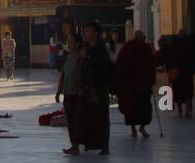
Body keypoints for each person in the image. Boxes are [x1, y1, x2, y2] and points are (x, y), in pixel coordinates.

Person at [116, 31, 156, 138]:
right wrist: (152, 80)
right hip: (143, 84)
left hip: (130, 85)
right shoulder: (146, 48)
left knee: (131, 107)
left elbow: (119, 63)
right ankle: (142, 127)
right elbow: (152, 65)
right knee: (144, 107)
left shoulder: (127, 47)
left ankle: (133, 129)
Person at [80, 21, 112, 155]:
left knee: (102, 116)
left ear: (95, 33)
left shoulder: (101, 48)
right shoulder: (86, 47)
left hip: (99, 87)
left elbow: (103, 68)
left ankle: (104, 145)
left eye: (88, 31)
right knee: (88, 115)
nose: (85, 33)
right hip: (88, 87)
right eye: (85, 30)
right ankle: (90, 143)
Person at [56, 35, 85, 155]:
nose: (69, 45)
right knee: (71, 120)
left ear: (77, 44)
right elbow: (63, 74)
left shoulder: (81, 58)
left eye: (71, 42)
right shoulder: (69, 57)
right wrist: (58, 91)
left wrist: (81, 90)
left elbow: (82, 76)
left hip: (76, 93)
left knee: (77, 120)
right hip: (68, 92)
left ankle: (77, 144)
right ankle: (74, 144)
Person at [162, 30, 195, 118]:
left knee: (178, 91)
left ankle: (180, 112)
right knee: (188, 91)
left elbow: (170, 57)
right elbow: (194, 57)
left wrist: (169, 69)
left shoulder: (174, 44)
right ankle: (188, 111)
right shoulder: (190, 43)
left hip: (177, 72)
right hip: (188, 71)